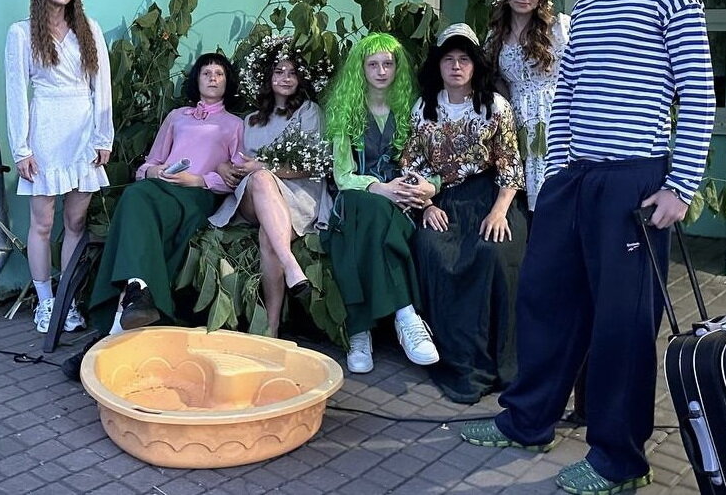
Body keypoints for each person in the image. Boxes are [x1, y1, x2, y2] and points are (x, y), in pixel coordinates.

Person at [460, 0, 715, 495]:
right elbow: (568, 95)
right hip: (574, 179)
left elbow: (699, 95)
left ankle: (619, 460)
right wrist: (559, 173)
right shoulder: (588, 8)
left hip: (636, 180)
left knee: (623, 322)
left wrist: (679, 187)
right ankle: (528, 422)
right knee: (546, 299)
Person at [401, 23, 527, 404]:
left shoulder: (494, 106)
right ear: (438, 65)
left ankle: (500, 362)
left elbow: (510, 165)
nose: (456, 66)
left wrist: (500, 212)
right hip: (444, 200)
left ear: (475, 65)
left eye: (464, 59)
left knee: (492, 252)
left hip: (491, 196)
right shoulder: (424, 108)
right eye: (449, 59)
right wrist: (427, 205)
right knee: (433, 250)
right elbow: (412, 164)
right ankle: (456, 357)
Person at [86, 53, 243, 337]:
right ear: (196, 80)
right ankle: (137, 291)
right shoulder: (176, 117)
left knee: (136, 200)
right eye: (206, 73)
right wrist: (155, 172)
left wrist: (198, 180)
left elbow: (236, 179)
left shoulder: (235, 125)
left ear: (227, 81)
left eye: (219, 74)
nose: (212, 78)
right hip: (159, 187)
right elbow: (149, 164)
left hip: (196, 195)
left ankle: (115, 325)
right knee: (136, 194)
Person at [4, 0, 113, 334]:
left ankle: (66, 300)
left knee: (76, 221)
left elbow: (102, 86)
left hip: (83, 131)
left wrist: (104, 137)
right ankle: (46, 302)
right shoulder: (21, 33)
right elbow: (16, 94)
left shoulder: (89, 28)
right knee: (43, 222)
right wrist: (22, 148)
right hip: (46, 131)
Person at [321, 32, 439, 374]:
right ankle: (406, 314)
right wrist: (379, 187)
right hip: (355, 201)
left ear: (397, 68)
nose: (381, 71)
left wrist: (427, 189)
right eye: (373, 64)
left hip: (402, 204)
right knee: (367, 208)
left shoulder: (413, 109)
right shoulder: (346, 111)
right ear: (361, 69)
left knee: (370, 223)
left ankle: (360, 330)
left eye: (388, 64)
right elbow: (343, 176)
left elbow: (433, 165)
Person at [209, 35, 332, 336]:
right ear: (267, 77)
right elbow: (235, 160)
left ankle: (271, 328)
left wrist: (263, 166)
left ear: (301, 79)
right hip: (254, 195)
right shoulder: (250, 120)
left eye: (292, 73)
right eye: (279, 71)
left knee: (270, 234)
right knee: (261, 179)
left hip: (299, 194)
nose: (285, 78)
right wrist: (223, 167)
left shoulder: (309, 112)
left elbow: (312, 165)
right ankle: (291, 265)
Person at [487, 0, 570, 215]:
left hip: (554, 116)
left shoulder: (558, 28)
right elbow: (495, 81)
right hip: (516, 119)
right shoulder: (495, 35)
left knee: (557, 194)